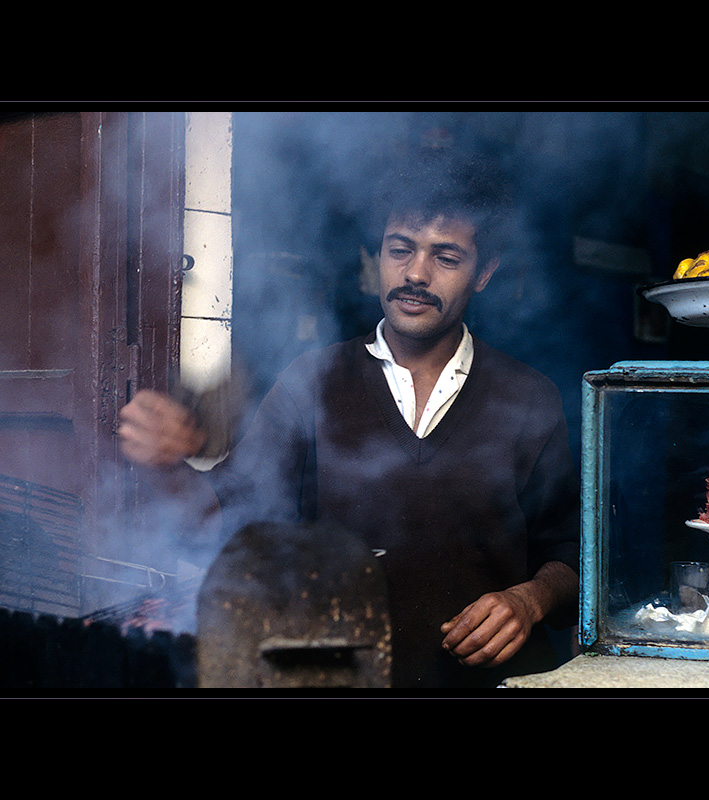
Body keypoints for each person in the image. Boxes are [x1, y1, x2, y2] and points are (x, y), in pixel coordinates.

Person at [118, 150, 581, 689]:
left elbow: (570, 556)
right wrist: (168, 467)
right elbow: (224, 522)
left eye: (446, 257)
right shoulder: (313, 380)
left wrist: (528, 600)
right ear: (378, 256)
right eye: (399, 249)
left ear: (484, 274)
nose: (414, 273)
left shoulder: (527, 397)